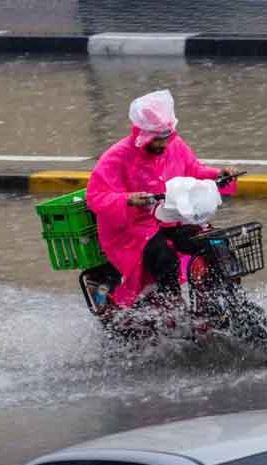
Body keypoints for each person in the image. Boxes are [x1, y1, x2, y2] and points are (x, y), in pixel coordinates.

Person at [86, 89, 238, 309]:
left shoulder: (174, 145)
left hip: (169, 218)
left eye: (167, 138)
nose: (164, 145)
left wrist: (219, 175)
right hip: (130, 230)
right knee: (165, 259)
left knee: (212, 243)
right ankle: (170, 309)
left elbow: (193, 170)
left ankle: (215, 298)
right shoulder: (117, 157)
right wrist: (129, 199)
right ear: (143, 135)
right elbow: (96, 197)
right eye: (158, 140)